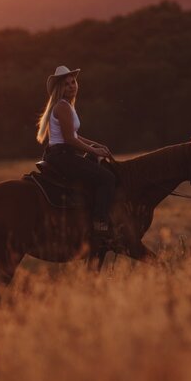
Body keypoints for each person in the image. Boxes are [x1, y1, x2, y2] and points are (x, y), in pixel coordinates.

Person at [36, 65, 116, 259]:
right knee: (107, 178)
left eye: (73, 82)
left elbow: (74, 135)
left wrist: (95, 144)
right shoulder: (62, 106)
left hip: (64, 153)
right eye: (66, 84)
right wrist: (94, 150)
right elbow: (70, 140)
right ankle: (100, 223)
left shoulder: (67, 106)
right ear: (60, 89)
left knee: (97, 167)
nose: (72, 86)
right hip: (62, 155)